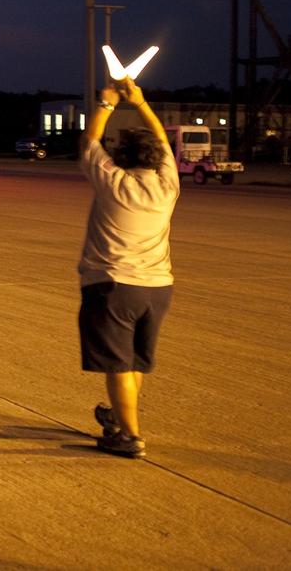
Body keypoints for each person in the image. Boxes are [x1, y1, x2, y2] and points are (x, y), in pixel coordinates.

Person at [77, 77, 179, 459]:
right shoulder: (168, 186)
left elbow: (90, 143)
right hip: (158, 289)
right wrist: (140, 103)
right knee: (133, 360)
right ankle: (119, 418)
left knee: (117, 364)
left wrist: (106, 104)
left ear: (122, 157)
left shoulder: (112, 181)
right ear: (155, 158)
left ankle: (129, 436)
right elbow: (165, 144)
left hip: (113, 285)